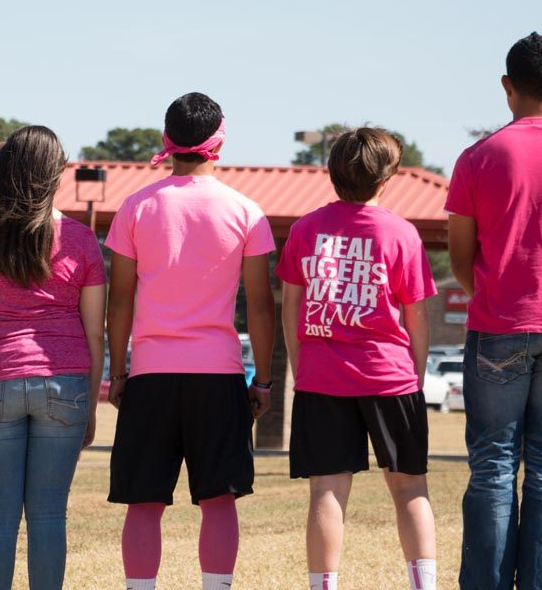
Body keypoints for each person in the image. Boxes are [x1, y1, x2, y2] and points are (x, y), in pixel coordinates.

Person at [106, 92, 275, 590]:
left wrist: (120, 372)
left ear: (167, 140)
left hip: (151, 374)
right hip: (219, 376)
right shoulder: (247, 211)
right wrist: (262, 380)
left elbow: (120, 301)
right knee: (219, 500)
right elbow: (261, 306)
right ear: (219, 141)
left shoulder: (136, 206)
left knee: (144, 502)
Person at [276, 128, 438, 590]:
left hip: (321, 377)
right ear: (386, 179)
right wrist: (416, 375)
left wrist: (302, 363)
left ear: (332, 174)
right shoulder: (401, 233)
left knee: (326, 489)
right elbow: (417, 317)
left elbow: (292, 304)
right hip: (391, 376)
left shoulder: (306, 228)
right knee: (410, 488)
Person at [0, 125, 105, 590]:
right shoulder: (81, 240)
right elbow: (93, 331)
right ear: (54, 175)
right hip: (64, 384)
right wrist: (91, 404)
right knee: (48, 515)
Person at [446, 32, 542, 590]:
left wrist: (493, 287)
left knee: (492, 471)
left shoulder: (478, 157)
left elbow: (461, 258)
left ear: (508, 87)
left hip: (499, 326)